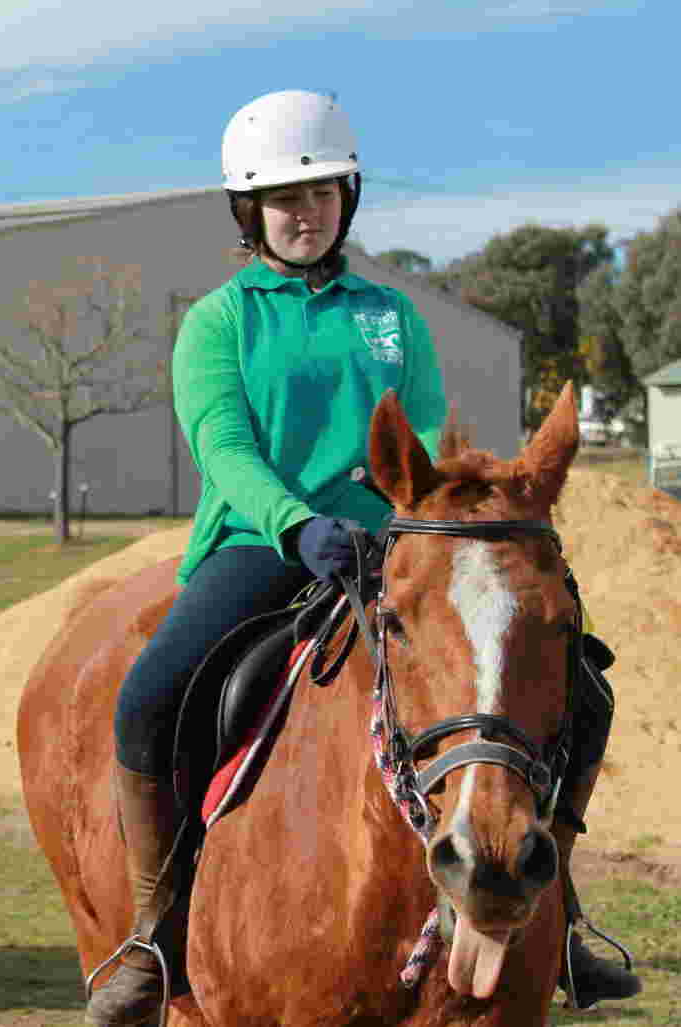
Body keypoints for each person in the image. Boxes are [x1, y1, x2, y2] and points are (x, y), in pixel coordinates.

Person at [96, 90, 637, 1025]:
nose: (305, 215)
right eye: (283, 200)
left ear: (349, 197)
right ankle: (154, 930)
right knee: (150, 697)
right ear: (249, 213)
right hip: (264, 545)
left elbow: (422, 425)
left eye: (322, 194)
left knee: (580, 684)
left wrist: (430, 512)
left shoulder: (390, 315)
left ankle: (561, 912)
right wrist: (295, 522)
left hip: (402, 544)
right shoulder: (219, 324)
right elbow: (224, 443)